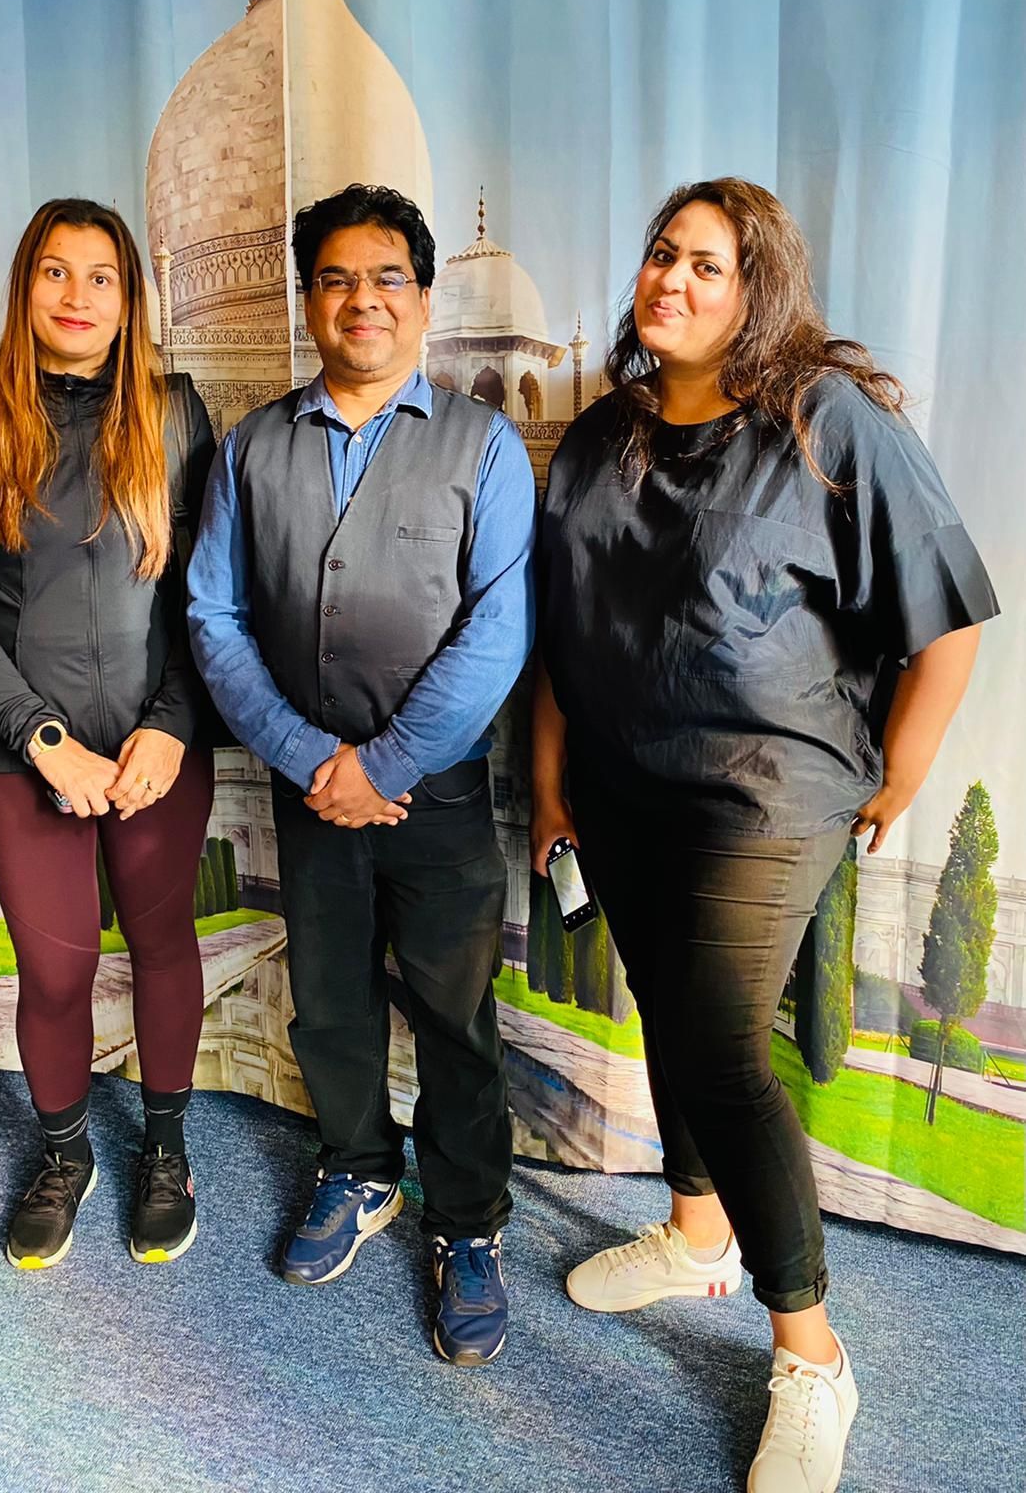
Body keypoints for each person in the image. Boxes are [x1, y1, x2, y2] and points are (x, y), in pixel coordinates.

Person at [531, 178, 996, 1491]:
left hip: (766, 790)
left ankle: (810, 1354)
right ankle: (690, 1236)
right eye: (659, 256)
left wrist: (895, 775)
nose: (670, 280)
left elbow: (943, 618)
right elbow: (559, 633)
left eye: (707, 266)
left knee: (719, 1039)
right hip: (619, 786)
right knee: (670, 1014)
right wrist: (553, 778)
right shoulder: (594, 437)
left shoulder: (824, 419)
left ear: (757, 291)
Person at [188, 183, 536, 1365]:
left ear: (424, 299)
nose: (363, 300)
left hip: (432, 802)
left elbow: (497, 630)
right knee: (329, 1004)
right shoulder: (254, 447)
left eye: (388, 277)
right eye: (337, 278)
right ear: (309, 299)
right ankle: (356, 1167)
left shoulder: (483, 446)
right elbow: (213, 614)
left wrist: (381, 763)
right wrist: (310, 761)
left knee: (455, 1019)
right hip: (311, 795)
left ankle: (470, 1224)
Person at [0, 198, 216, 1271]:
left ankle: (168, 1149)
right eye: (55, 272)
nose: (77, 297)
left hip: (153, 751)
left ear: (131, 299)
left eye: (101, 277)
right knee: (55, 974)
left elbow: (205, 596)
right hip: (17, 749)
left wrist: (173, 728)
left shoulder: (177, 418)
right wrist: (43, 739)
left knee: (164, 942)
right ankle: (64, 1152)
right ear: (23, 289)